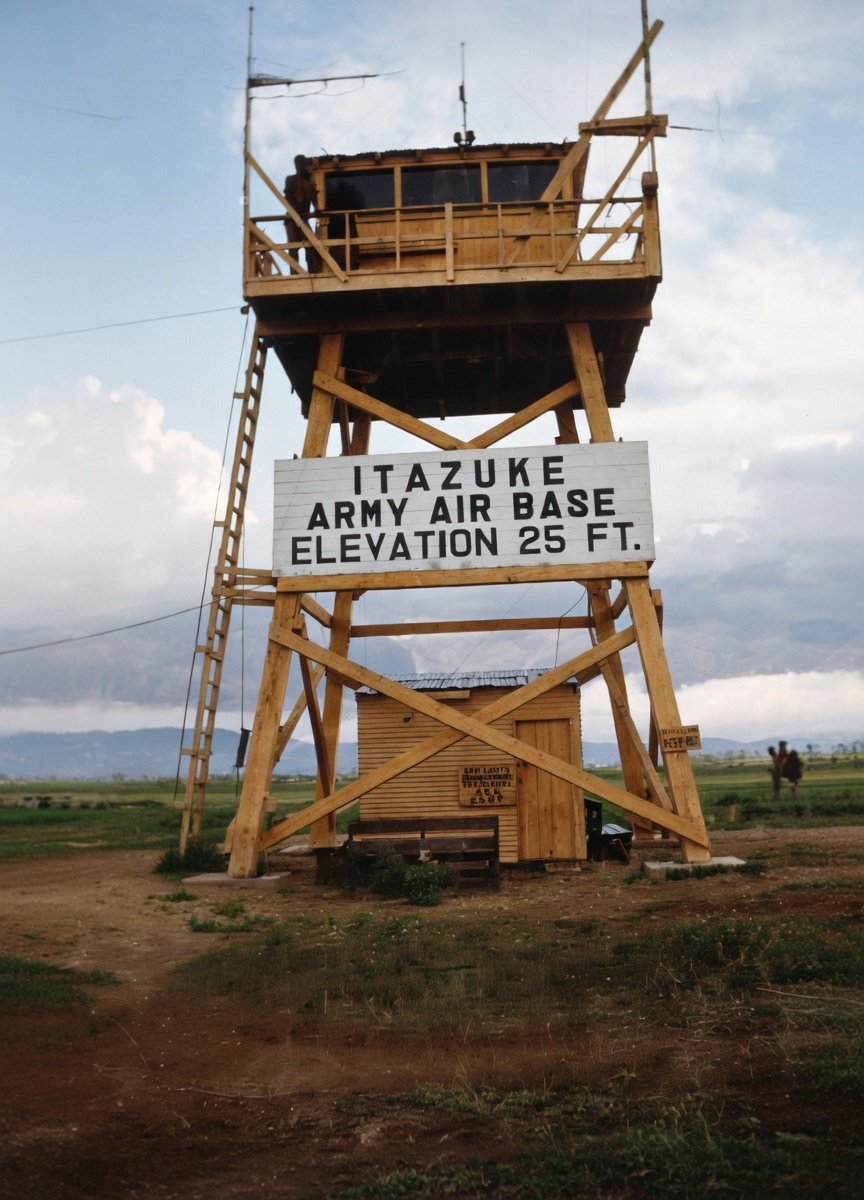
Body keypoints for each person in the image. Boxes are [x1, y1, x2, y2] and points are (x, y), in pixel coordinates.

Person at [283, 154, 317, 272]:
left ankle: (312, 270)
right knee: (293, 247)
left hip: (303, 219)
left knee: (311, 245)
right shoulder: (290, 180)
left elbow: (315, 203)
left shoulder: (310, 184)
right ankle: (295, 272)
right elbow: (288, 199)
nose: (300, 167)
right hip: (291, 219)